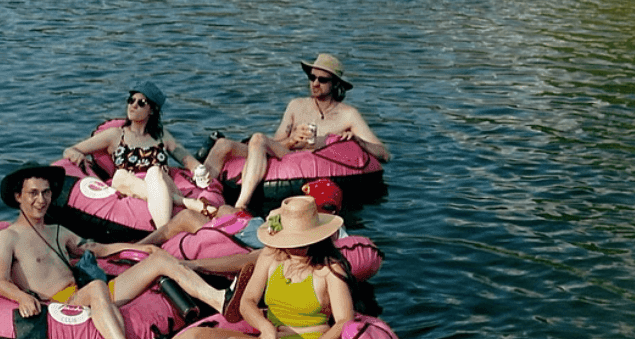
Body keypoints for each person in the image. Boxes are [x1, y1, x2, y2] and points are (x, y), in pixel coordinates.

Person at [71, 196, 354, 339]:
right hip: (271, 337)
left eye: (298, 242)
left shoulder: (329, 271)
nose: (291, 247)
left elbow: (344, 321)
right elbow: (248, 302)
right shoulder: (271, 258)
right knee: (196, 336)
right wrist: (263, 325)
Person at [0, 166, 232, 339]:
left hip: (89, 292)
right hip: (62, 302)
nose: (41, 200)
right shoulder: (8, 237)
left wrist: (139, 248)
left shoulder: (57, 231)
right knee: (97, 287)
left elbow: (96, 248)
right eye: (33, 193)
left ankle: (219, 299)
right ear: (18, 197)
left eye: (45, 193)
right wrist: (22, 298)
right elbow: (0, 281)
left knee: (158, 259)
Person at [202, 54, 390, 212]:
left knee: (258, 138)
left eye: (322, 80)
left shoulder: (348, 115)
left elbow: (384, 154)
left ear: (335, 84)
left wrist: (358, 141)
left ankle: (241, 206)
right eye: (312, 77)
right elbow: (275, 142)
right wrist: (292, 140)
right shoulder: (296, 106)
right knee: (223, 144)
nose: (315, 83)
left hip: (313, 161)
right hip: (286, 152)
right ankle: (200, 193)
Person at [63, 82, 214, 228]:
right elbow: (71, 150)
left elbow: (186, 158)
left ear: (152, 110)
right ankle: (183, 202)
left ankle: (164, 230)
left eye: (141, 103)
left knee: (154, 171)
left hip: (160, 183)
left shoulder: (162, 136)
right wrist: (76, 156)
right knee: (120, 175)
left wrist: (200, 171)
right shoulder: (115, 135)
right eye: (131, 100)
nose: (133, 105)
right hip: (128, 185)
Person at [135, 179, 347, 279]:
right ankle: (135, 247)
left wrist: (193, 265)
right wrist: (275, 224)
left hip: (249, 241)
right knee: (225, 209)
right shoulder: (317, 220)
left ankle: (140, 250)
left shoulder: (324, 235)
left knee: (186, 217)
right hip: (255, 230)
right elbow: (272, 219)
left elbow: (258, 254)